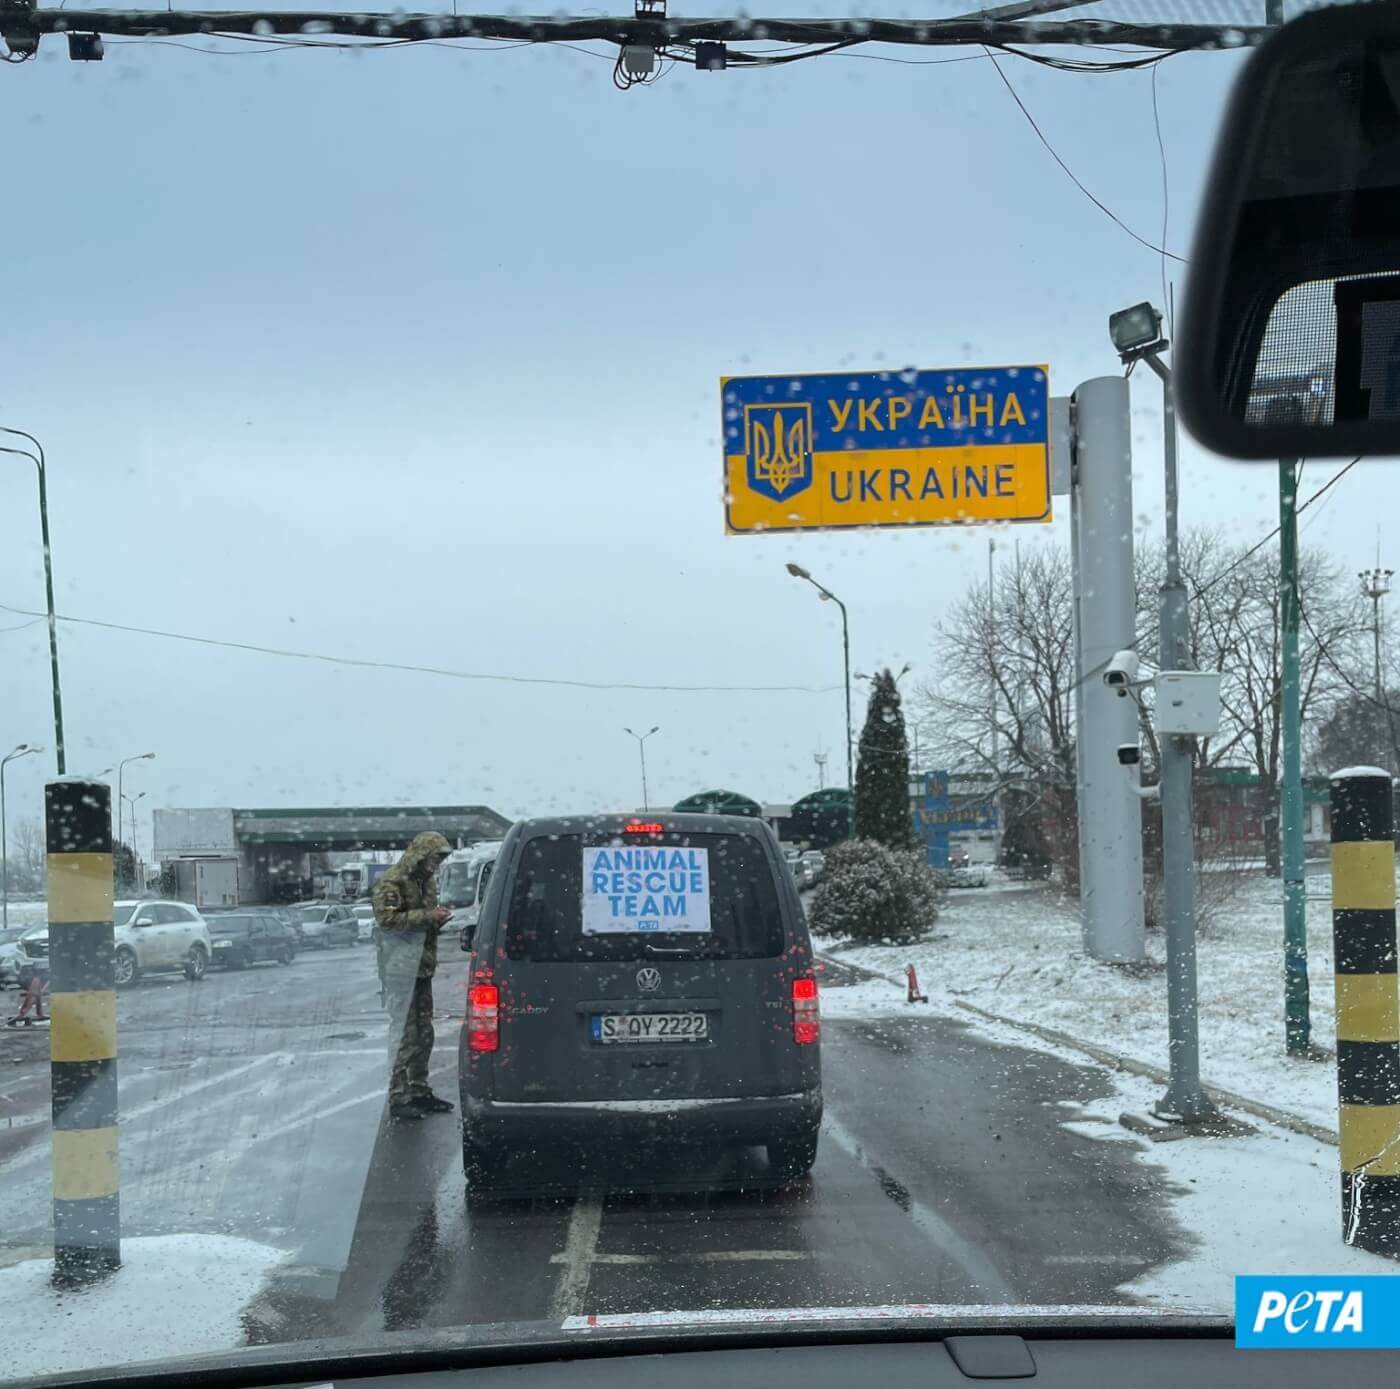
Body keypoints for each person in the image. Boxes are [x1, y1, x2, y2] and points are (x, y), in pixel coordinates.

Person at [371, 831, 455, 1121]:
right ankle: (398, 1096)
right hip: (399, 970)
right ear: (420, 854)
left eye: (440, 859)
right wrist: (427, 917)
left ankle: (419, 1089)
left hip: (422, 966)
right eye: (434, 857)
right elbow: (387, 921)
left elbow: (421, 919)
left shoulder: (426, 881)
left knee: (424, 1033)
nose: (436, 864)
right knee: (405, 1035)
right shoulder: (392, 881)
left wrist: (437, 919)